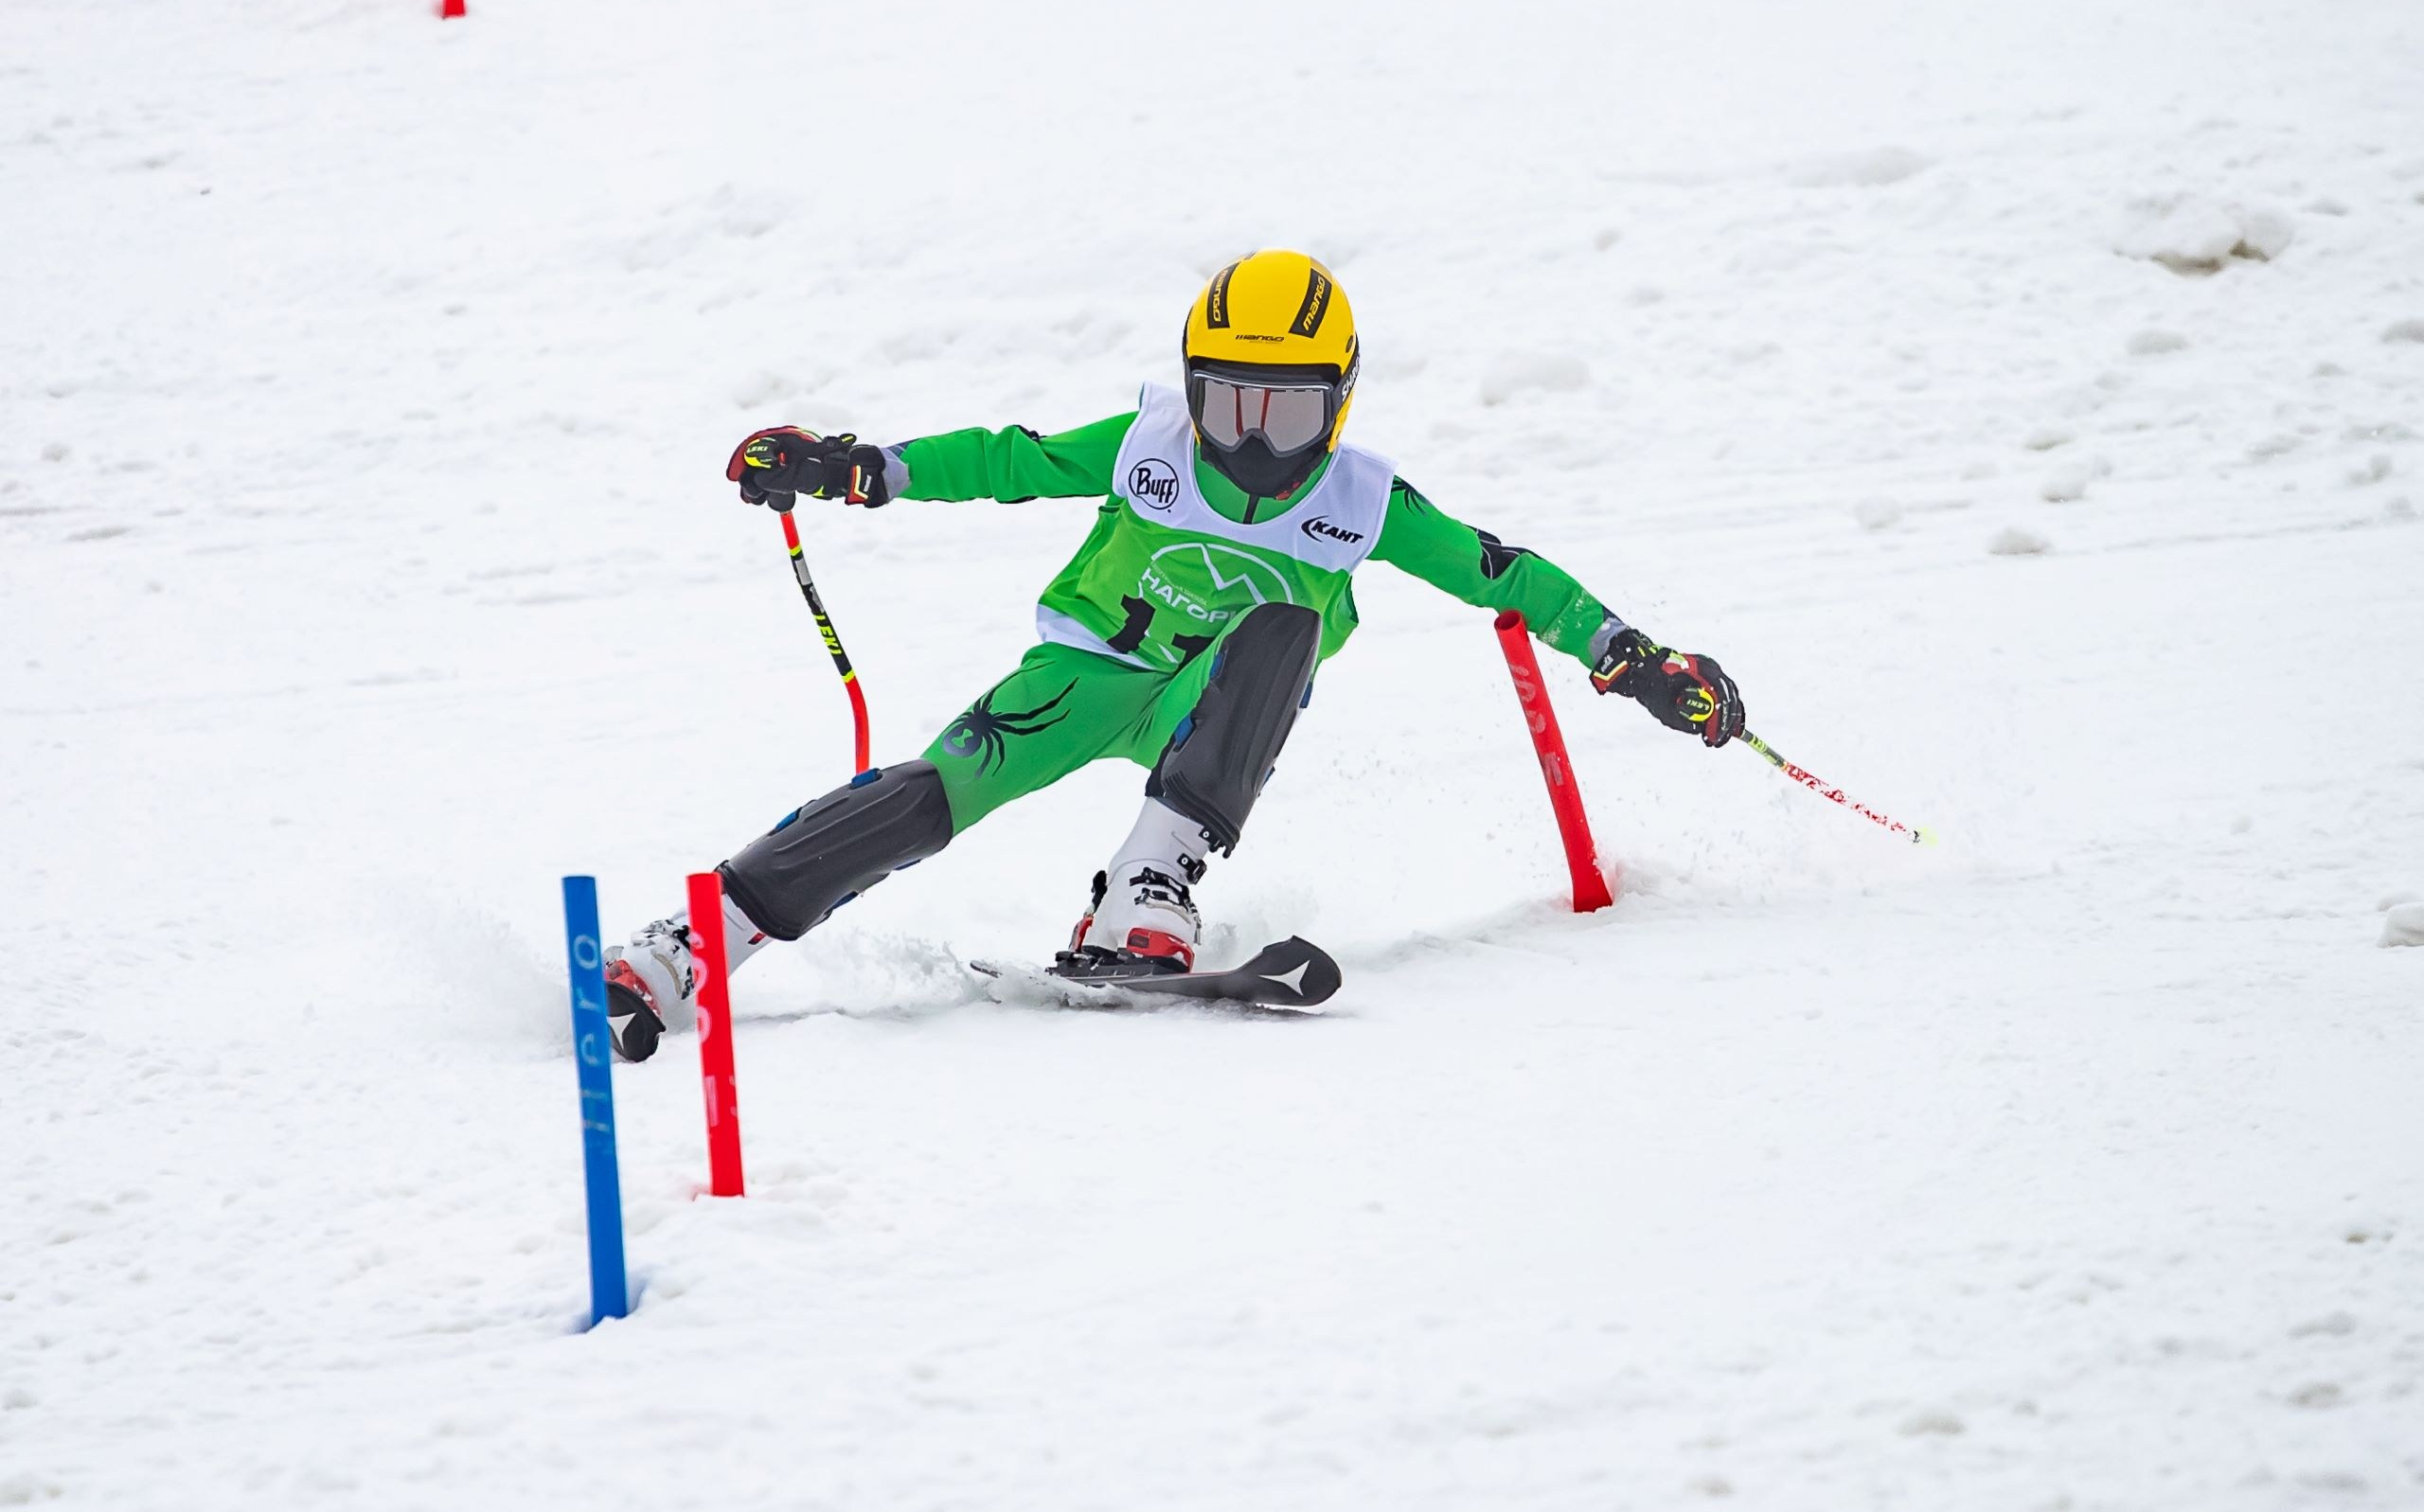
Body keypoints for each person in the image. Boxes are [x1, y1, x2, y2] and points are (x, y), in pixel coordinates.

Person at [602, 250, 1744, 1059]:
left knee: (1283, 627)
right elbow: (1012, 458)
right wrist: (863, 467)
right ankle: (695, 941)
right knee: (926, 793)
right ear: (1191, 390)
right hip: (1085, 677)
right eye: (1228, 406)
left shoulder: (1361, 502)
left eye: (1285, 415)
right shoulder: (1149, 446)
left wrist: (1632, 658)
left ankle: (1150, 885)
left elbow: (1505, 574)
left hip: (1215, 707)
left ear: (1337, 407)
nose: (1251, 441)